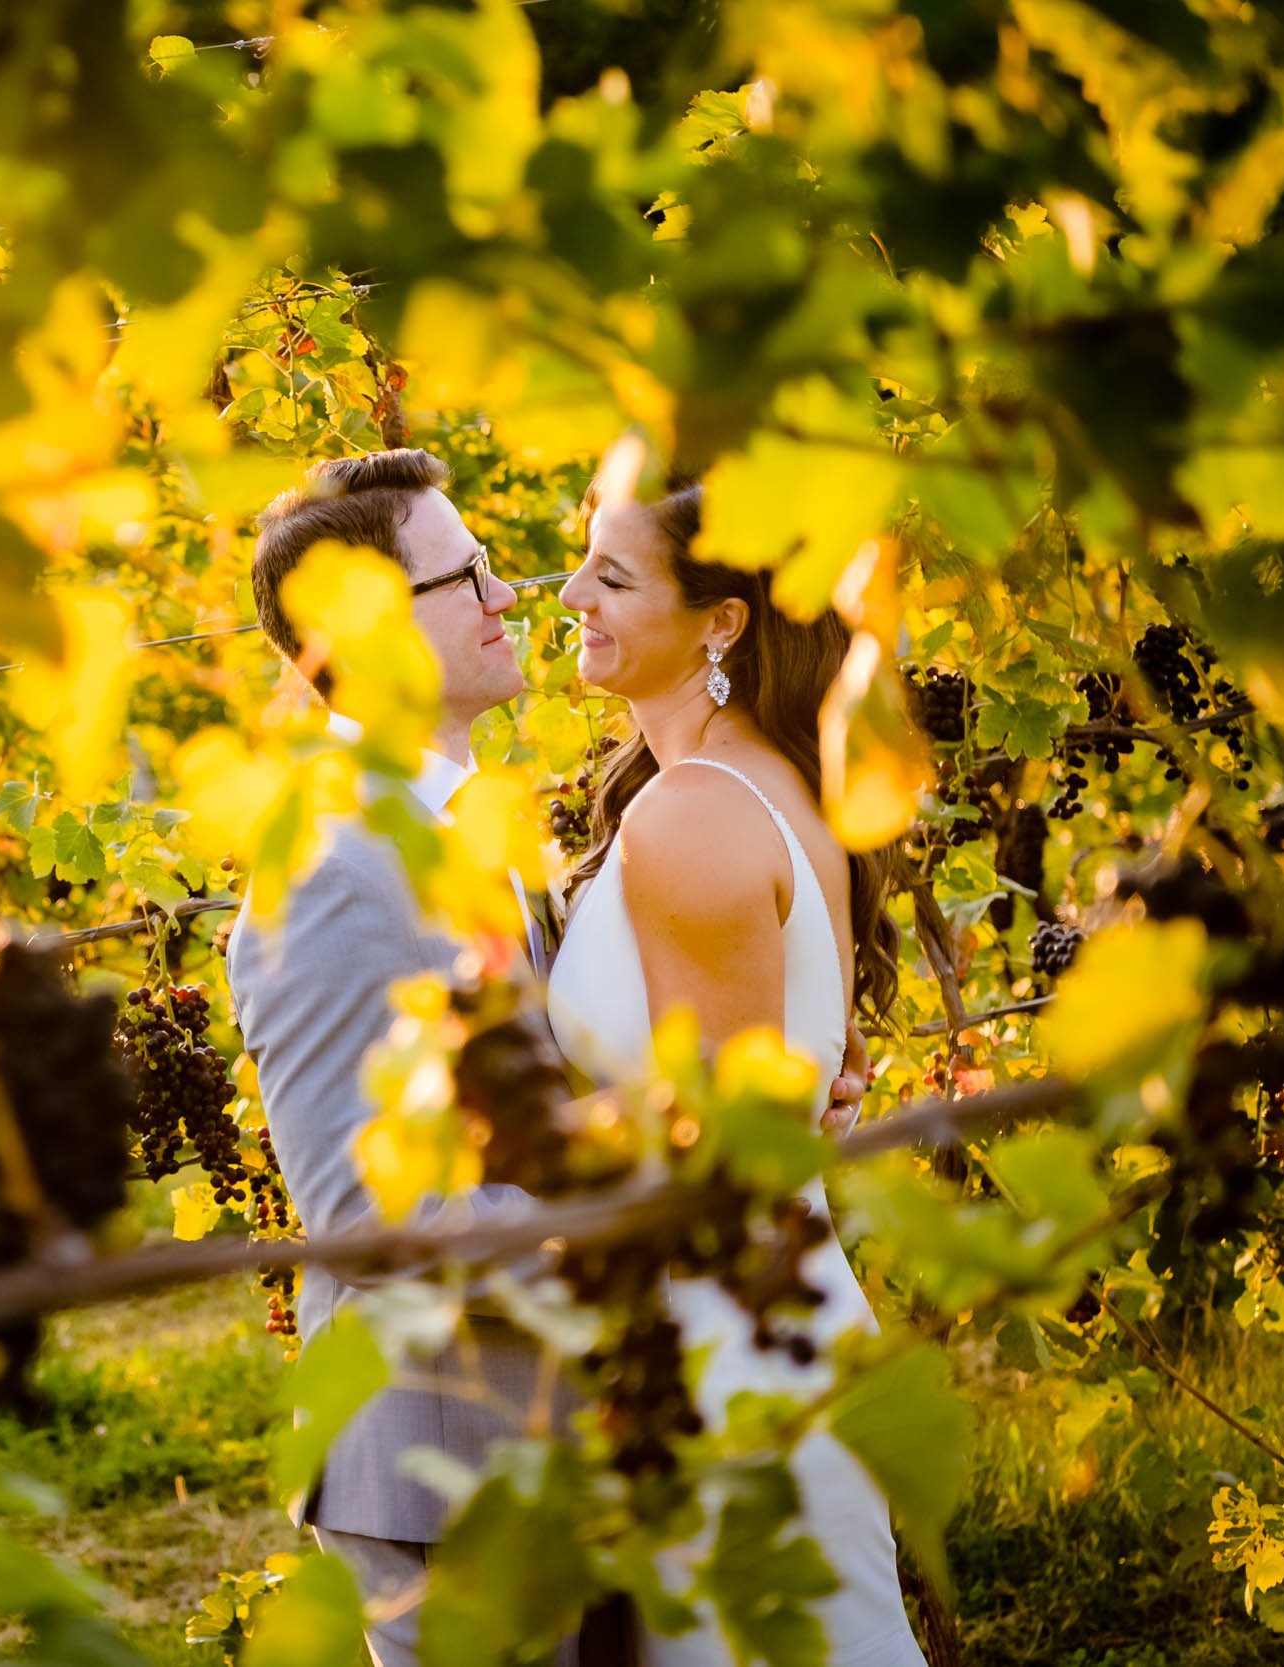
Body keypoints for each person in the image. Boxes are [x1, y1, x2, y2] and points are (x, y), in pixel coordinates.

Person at [225, 450, 869, 1667]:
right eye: (462, 576)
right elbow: (367, 1217)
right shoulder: (326, 869)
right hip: (446, 1472)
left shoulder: (479, 822)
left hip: (585, 1439)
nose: (506, 595)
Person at [547, 477, 930, 1665]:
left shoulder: (694, 815)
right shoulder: (752, 781)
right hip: (752, 1329)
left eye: (613, 577)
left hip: (730, 1362)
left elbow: (710, 1164)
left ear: (720, 623)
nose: (571, 594)